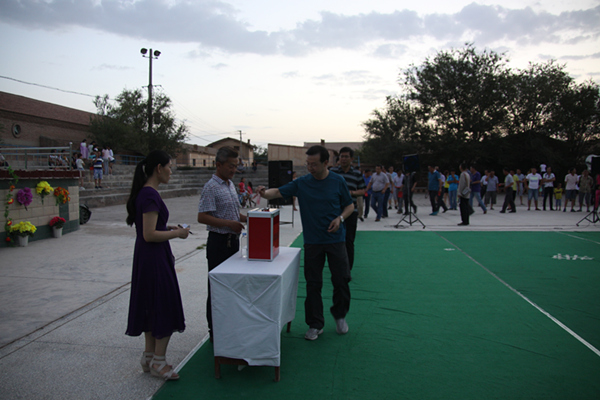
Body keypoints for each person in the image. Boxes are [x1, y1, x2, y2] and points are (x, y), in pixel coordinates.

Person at [257, 145, 354, 341]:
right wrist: (265, 193)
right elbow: (278, 192)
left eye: (314, 164)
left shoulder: (338, 181)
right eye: (307, 164)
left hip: (336, 240)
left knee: (341, 280)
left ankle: (340, 315)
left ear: (325, 163)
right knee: (313, 284)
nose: (310, 168)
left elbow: (349, 206)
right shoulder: (302, 183)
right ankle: (315, 324)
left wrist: (340, 219)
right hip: (312, 242)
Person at [125, 150, 190, 381]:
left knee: (151, 304)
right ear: (158, 169)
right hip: (154, 258)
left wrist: (168, 227)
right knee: (163, 304)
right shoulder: (150, 195)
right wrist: (178, 234)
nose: (171, 171)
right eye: (169, 167)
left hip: (147, 257)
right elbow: (149, 234)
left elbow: (151, 227)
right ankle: (159, 362)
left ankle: (149, 356)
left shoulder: (145, 193)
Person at [197, 147, 247, 341]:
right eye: (230, 166)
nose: (234, 170)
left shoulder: (230, 185)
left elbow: (233, 214)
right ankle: (215, 332)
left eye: (236, 166)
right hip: (219, 243)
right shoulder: (211, 187)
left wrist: (250, 218)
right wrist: (229, 224)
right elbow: (202, 217)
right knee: (216, 288)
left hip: (233, 242)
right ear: (218, 164)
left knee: (231, 287)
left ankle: (229, 326)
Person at [330, 147, 366, 272]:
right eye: (342, 156)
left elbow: (362, 191)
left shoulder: (357, 174)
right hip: (334, 212)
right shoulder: (332, 172)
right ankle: (335, 267)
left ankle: (347, 269)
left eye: (346, 157)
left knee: (349, 241)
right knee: (333, 241)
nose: (343, 159)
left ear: (351, 159)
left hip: (351, 212)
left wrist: (350, 193)